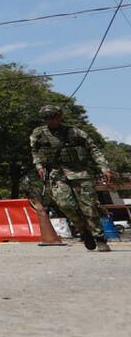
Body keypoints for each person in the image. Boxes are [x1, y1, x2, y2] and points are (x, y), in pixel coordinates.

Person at [30, 104, 113, 252]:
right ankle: (84, 230)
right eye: (47, 118)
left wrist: (104, 167)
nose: (51, 120)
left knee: (89, 207)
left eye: (54, 117)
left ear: (60, 116)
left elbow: (93, 149)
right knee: (65, 205)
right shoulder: (39, 134)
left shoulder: (74, 132)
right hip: (57, 174)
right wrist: (39, 167)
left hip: (80, 173)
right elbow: (35, 152)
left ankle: (100, 238)